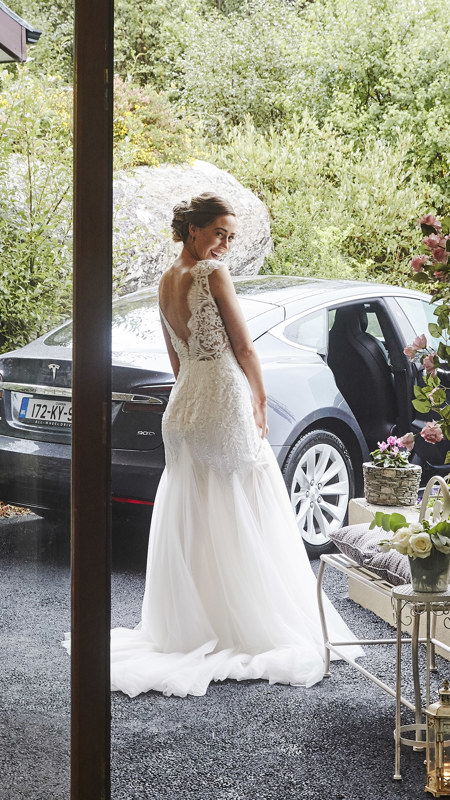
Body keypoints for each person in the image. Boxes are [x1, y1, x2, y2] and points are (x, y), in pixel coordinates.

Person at [109, 192, 362, 698]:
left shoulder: (165, 280)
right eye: (219, 233)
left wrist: (191, 394)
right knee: (245, 502)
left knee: (198, 508)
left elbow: (177, 360)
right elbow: (244, 347)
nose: (225, 245)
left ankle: (195, 625)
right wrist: (260, 400)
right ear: (193, 229)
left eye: (230, 237)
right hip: (222, 398)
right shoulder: (211, 274)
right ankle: (243, 623)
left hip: (184, 405)